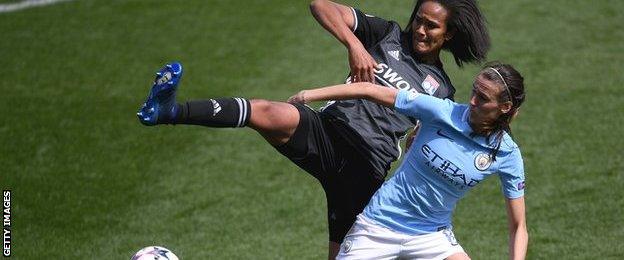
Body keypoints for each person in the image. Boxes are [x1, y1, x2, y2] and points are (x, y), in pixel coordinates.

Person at [137, 0, 490, 257]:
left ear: (449, 34)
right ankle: (168, 111)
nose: (421, 30)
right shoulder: (385, 34)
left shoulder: (441, 88)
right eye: (419, 21)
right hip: (328, 131)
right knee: (267, 111)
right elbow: (320, 5)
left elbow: (430, 138)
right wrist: (354, 45)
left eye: (432, 26)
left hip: (364, 170)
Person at [287, 62, 528, 260]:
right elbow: (371, 90)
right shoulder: (441, 111)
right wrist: (309, 95)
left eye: (483, 97)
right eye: (474, 90)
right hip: (378, 226)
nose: (473, 100)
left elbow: (518, 227)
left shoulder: (507, 154)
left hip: (431, 237)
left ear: (505, 107)